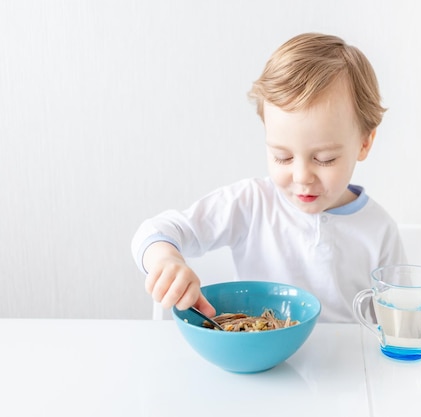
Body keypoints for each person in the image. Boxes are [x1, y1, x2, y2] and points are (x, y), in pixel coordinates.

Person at [131, 33, 406, 323]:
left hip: (346, 365)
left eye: (324, 159)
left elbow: (396, 327)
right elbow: (153, 231)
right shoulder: (251, 203)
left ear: (364, 143)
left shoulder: (379, 230)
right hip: (259, 363)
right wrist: (165, 260)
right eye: (282, 157)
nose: (301, 176)